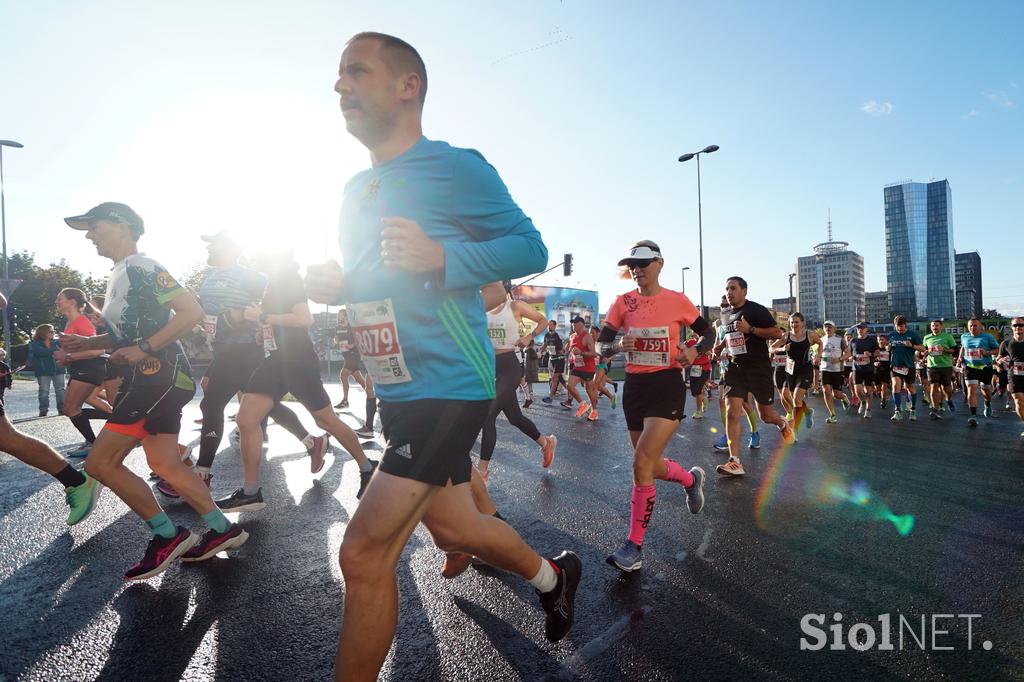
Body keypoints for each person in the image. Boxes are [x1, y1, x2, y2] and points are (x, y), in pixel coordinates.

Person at [306, 32, 580, 680]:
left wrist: (445, 259)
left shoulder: (455, 168)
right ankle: (553, 577)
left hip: (449, 385)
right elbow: (377, 280)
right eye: (338, 75)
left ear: (407, 87)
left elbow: (529, 246)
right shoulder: (355, 190)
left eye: (356, 72)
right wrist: (338, 286)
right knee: (456, 531)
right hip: (398, 388)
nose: (339, 86)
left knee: (365, 554)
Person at [61, 202, 247, 579]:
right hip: (150, 377)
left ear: (120, 225)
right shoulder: (118, 274)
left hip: (158, 375)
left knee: (99, 464)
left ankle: (167, 535)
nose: (88, 235)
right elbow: (126, 333)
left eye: (93, 226)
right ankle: (224, 530)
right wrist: (90, 344)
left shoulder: (143, 266)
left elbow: (190, 311)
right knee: (164, 464)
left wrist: (145, 348)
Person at [215, 249, 376, 513]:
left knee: (325, 420)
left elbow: (304, 319)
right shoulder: (270, 284)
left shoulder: (287, 278)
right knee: (246, 419)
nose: (251, 258)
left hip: (298, 361)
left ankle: (367, 468)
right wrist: (266, 331)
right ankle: (250, 492)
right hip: (276, 359)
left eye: (255, 254)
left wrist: (264, 317)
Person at [185, 231, 332, 499]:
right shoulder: (211, 276)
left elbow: (272, 299)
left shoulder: (250, 275)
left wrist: (245, 317)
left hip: (245, 349)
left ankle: (202, 473)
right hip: (224, 350)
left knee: (211, 404)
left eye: (213, 244)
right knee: (268, 406)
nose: (209, 249)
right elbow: (213, 315)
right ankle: (313, 442)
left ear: (229, 248)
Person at [599, 241, 711, 571]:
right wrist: (619, 344)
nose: (637, 269)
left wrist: (693, 351)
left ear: (660, 263)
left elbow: (709, 334)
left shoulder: (677, 300)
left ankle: (633, 546)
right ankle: (691, 481)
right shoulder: (622, 302)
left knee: (641, 462)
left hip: (667, 385)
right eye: (632, 264)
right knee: (649, 465)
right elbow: (602, 345)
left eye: (643, 263)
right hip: (636, 387)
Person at [715, 276, 795, 477]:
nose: (729, 292)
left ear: (744, 291)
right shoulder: (726, 314)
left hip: (758, 369)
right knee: (732, 411)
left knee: (766, 415)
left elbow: (777, 333)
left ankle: (783, 424)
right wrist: (721, 346)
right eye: (727, 289)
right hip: (735, 368)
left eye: (733, 288)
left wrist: (751, 329)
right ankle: (735, 461)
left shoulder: (756, 310)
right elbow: (730, 335)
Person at [477, 280, 556, 480]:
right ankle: (546, 443)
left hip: (510, 366)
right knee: (515, 417)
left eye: (486, 286)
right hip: (490, 367)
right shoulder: (482, 309)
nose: (483, 290)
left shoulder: (515, 306)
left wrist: (530, 337)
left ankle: (483, 474)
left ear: (502, 287)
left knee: (487, 414)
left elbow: (543, 321)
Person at [53, 288, 112, 457]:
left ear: (72, 302)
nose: (57, 302)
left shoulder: (82, 322)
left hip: (90, 367)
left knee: (71, 408)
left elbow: (97, 350)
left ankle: (96, 441)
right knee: (70, 408)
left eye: (60, 298)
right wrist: (65, 359)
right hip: (81, 368)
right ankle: (114, 420)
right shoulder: (71, 323)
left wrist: (68, 356)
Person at [772, 312, 822, 432]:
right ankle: (807, 411)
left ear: (802, 322)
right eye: (792, 322)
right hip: (790, 369)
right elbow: (771, 348)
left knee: (796, 398)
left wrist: (818, 356)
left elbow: (820, 343)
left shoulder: (810, 334)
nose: (794, 324)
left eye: (796, 322)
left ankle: (796, 429)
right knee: (788, 396)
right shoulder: (786, 336)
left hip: (805, 369)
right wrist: (782, 348)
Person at [957, 317, 1000, 427]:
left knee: (986, 391)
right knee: (971, 390)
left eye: (975, 325)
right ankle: (973, 416)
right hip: (970, 367)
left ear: (980, 326)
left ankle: (987, 404)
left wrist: (986, 353)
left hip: (985, 367)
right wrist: (960, 358)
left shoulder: (988, 336)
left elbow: (997, 349)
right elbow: (963, 347)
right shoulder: (964, 336)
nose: (973, 327)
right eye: (970, 325)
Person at [561, 316, 601, 420]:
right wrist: (567, 350)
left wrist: (581, 353)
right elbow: (571, 349)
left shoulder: (587, 337)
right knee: (569, 385)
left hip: (588, 368)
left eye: (575, 323)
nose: (573, 325)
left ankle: (594, 411)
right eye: (573, 323)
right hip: (578, 367)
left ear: (582, 324)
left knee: (589, 390)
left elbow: (594, 354)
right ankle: (583, 404)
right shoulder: (572, 336)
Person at [887, 315, 925, 422]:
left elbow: (922, 348)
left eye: (901, 327)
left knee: (910, 387)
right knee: (895, 386)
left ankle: (913, 410)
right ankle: (898, 411)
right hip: (895, 365)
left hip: (909, 366)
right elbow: (888, 347)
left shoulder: (913, 335)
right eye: (897, 327)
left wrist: (912, 346)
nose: (899, 329)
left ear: (906, 325)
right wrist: (888, 347)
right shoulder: (892, 335)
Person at [922, 319, 957, 419]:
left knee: (946, 388)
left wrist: (944, 349)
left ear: (941, 327)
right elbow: (924, 350)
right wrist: (924, 353)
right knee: (934, 387)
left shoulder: (948, 337)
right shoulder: (927, 338)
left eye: (937, 325)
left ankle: (949, 400)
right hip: (932, 366)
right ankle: (935, 409)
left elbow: (955, 350)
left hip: (946, 365)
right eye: (933, 326)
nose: (935, 328)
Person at [995, 317, 1024, 438]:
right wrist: (1000, 360)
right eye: (1015, 325)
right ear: (1012, 327)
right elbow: (998, 358)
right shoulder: (1006, 343)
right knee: (1018, 400)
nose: (1019, 328)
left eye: (1021, 325)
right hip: (1014, 375)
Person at [29, 324, 66, 417]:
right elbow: (40, 352)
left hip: (59, 369)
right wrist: (54, 350)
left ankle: (62, 409)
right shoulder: (35, 344)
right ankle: (43, 410)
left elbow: (62, 352)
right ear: (43, 332)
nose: (53, 333)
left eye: (53, 331)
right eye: (51, 331)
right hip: (43, 370)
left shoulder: (58, 342)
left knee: (60, 390)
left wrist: (51, 351)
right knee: (44, 391)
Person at [819, 321, 850, 423]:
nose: (828, 328)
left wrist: (840, 359)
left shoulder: (840, 340)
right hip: (824, 369)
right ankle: (833, 415)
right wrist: (816, 358)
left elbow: (848, 353)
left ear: (834, 328)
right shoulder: (821, 340)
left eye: (830, 326)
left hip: (837, 370)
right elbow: (817, 354)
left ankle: (843, 397)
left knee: (836, 394)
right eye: (826, 327)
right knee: (826, 391)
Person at [849, 322, 879, 419]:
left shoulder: (872, 340)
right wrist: (849, 357)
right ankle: (862, 401)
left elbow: (877, 352)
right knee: (857, 390)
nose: (860, 330)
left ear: (866, 329)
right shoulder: (853, 341)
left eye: (862, 328)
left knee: (869, 391)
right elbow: (848, 352)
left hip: (868, 369)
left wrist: (871, 354)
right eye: (858, 328)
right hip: (856, 368)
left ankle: (868, 410)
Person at [540, 320, 567, 403]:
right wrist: (542, 349)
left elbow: (561, 350)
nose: (549, 326)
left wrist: (562, 351)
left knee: (554, 378)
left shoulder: (557, 336)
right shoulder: (546, 335)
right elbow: (545, 345)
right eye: (548, 325)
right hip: (551, 359)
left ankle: (550, 398)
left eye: (551, 325)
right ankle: (571, 391)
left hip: (559, 359)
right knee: (560, 379)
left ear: (555, 326)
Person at [874, 334, 892, 410]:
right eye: (879, 339)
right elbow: (871, 358)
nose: (881, 341)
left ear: (886, 340)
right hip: (877, 370)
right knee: (878, 387)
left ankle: (883, 400)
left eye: (882, 339)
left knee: (884, 385)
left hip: (886, 370)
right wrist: (874, 363)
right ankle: (880, 393)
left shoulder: (889, 348)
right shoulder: (875, 349)